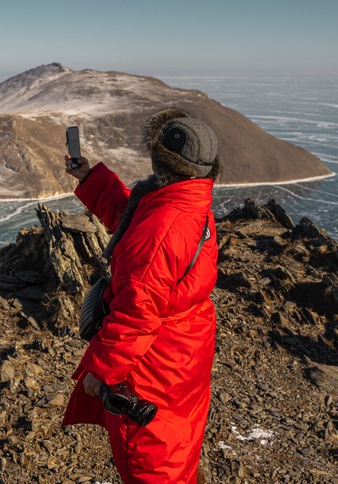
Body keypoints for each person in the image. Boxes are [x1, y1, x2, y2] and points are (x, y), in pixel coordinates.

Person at [61, 108, 221, 483]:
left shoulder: (162, 227)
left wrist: (100, 372)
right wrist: (91, 178)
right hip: (182, 355)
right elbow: (134, 221)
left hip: (151, 369)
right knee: (177, 449)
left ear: (162, 160)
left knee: (150, 465)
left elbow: (137, 314)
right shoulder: (187, 204)